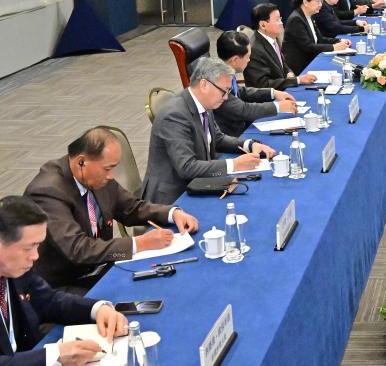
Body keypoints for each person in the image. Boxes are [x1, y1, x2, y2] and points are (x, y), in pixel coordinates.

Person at [24, 128, 200, 292]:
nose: (111, 176)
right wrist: (141, 243)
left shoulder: (96, 178)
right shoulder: (48, 191)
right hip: (63, 284)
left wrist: (172, 213)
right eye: (107, 168)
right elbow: (77, 249)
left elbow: (131, 208)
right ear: (81, 162)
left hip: (100, 266)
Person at [0, 195, 128, 366]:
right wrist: (53, 356)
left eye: (38, 246)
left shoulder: (16, 270)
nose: (35, 256)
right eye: (28, 247)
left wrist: (97, 309)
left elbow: (49, 301)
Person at [142, 57, 276, 204]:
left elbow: (217, 138)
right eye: (223, 91)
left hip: (198, 183)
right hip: (173, 197)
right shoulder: (174, 115)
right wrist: (234, 164)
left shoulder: (204, 102)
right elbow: (187, 167)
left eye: (228, 91)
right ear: (204, 85)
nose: (226, 97)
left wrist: (250, 145)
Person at [214, 30, 298, 137]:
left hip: (241, 125)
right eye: (248, 56)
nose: (249, 60)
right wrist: (278, 106)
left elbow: (240, 91)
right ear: (235, 60)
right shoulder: (218, 82)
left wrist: (273, 93)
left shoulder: (225, 70)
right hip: (232, 135)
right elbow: (243, 109)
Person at [242, 3, 317, 91]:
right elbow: (262, 84)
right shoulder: (255, 50)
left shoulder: (271, 37)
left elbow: (281, 63)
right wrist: (297, 80)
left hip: (282, 88)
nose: (281, 23)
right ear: (263, 25)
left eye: (280, 19)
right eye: (277, 20)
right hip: (268, 97)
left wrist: (289, 72)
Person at [281, 0, 352, 75]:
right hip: (301, 67)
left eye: (321, 1)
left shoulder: (309, 15)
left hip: (311, 59)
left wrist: (339, 40)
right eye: (318, 1)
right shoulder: (296, 19)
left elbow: (320, 39)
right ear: (305, 2)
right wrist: (334, 47)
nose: (320, 5)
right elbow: (308, 47)